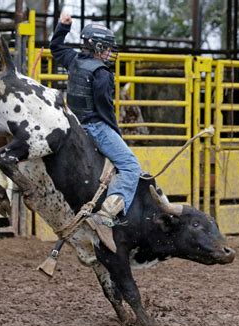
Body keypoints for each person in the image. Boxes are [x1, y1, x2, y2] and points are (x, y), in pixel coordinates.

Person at [50, 12, 141, 251]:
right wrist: (116, 134)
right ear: (99, 46)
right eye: (108, 48)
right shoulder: (102, 73)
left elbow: (55, 47)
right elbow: (105, 110)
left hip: (76, 127)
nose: (110, 53)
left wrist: (62, 26)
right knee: (131, 166)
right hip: (96, 128)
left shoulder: (73, 60)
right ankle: (107, 216)